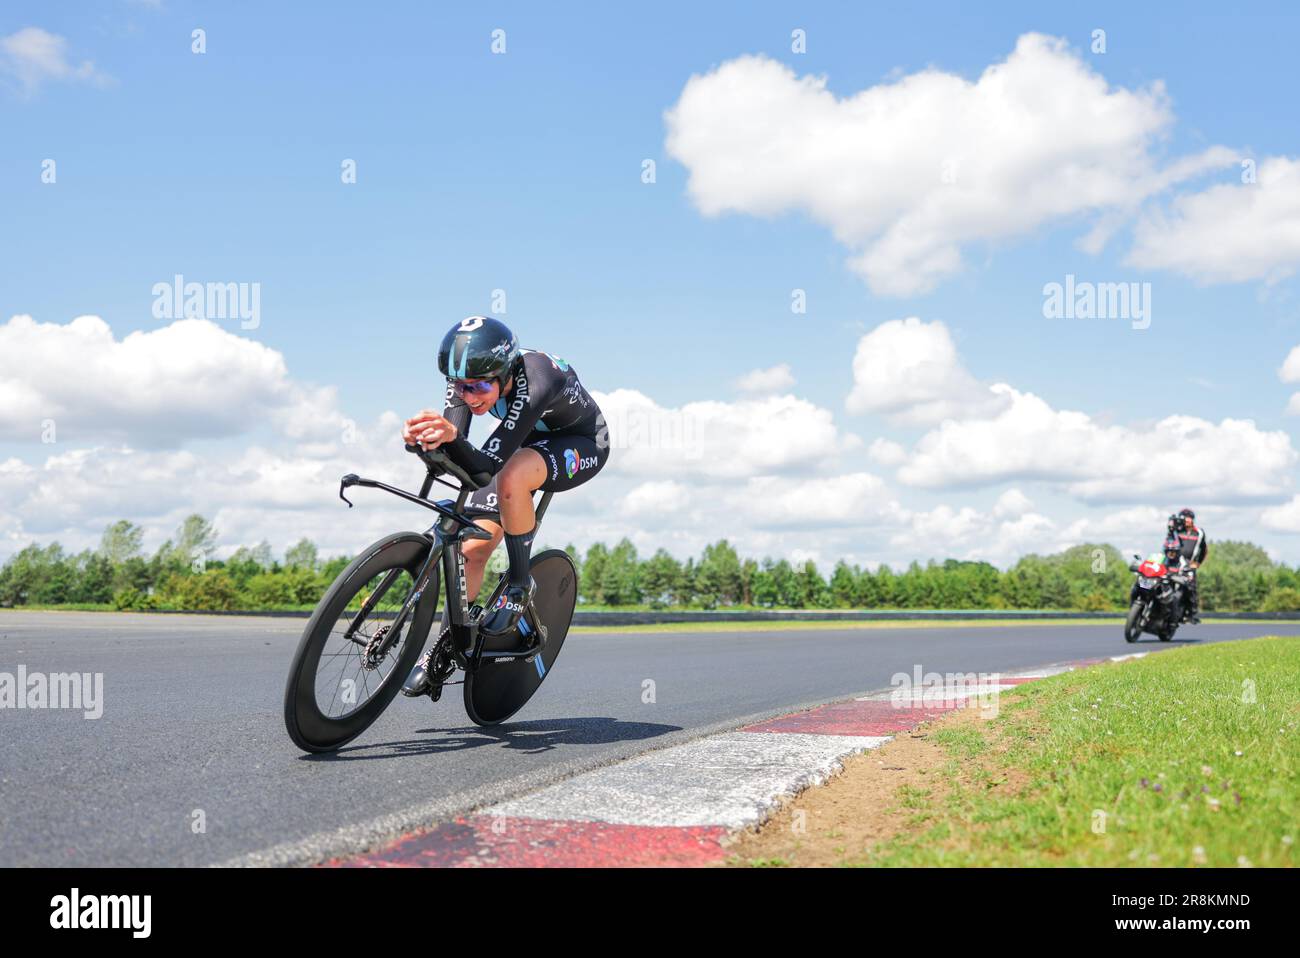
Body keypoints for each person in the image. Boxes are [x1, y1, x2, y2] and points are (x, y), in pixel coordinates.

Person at [400, 316, 610, 696]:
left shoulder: (537, 381)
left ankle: (518, 584)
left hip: (579, 442)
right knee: (473, 549)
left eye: (480, 387)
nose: (470, 397)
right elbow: (458, 449)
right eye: (460, 387)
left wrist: (451, 443)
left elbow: (484, 468)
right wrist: (426, 439)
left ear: (505, 371)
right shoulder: (468, 379)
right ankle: (446, 645)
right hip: (525, 440)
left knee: (512, 475)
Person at [1168, 507, 1208, 623]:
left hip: (1189, 565)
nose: (1187, 520)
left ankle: (1192, 614)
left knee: (1191, 587)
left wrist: (1198, 563)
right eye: (1184, 518)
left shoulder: (1199, 533)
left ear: (1193, 519)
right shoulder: (1177, 530)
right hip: (1175, 563)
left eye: (1189, 518)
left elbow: (1204, 550)